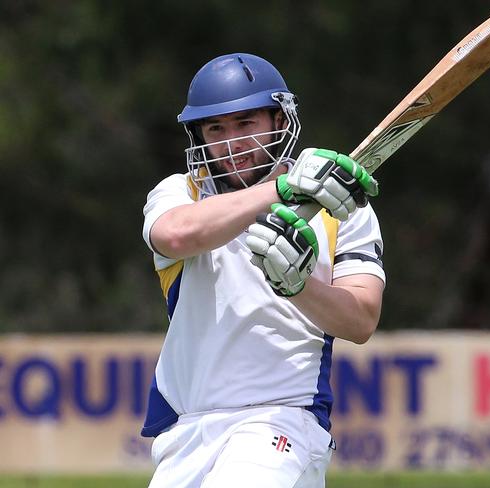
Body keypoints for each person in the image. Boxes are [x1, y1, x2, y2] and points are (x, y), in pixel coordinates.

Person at [141, 52, 385, 488]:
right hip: (186, 430)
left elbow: (361, 319)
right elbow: (175, 236)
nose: (232, 142)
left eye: (246, 124)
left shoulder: (341, 205)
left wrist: (297, 287)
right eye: (217, 128)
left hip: (283, 419)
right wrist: (284, 189)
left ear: (279, 120)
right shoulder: (180, 192)